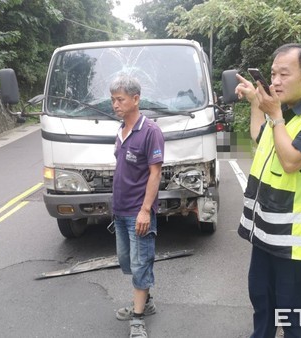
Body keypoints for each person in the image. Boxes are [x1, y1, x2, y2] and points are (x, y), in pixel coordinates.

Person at [234, 43, 301, 338]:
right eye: (272, 74)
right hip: (266, 226)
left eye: (284, 74)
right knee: (261, 298)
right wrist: (257, 103)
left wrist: (275, 115)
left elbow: (292, 161)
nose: (276, 81)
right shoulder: (286, 112)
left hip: (295, 232)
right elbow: (260, 138)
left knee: (290, 307)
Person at [111, 74, 164, 338]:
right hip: (119, 211)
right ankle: (147, 299)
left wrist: (145, 210)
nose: (115, 105)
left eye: (120, 99)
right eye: (113, 100)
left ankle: (139, 317)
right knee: (127, 261)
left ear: (135, 99)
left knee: (141, 262)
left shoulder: (150, 131)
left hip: (138, 211)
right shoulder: (121, 131)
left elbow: (155, 173)